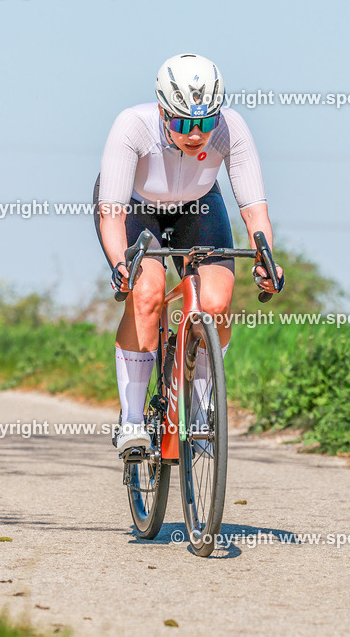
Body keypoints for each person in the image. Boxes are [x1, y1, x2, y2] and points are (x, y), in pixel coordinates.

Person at [93, 53, 283, 455]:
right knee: (147, 293)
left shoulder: (231, 128)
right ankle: (131, 420)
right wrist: (119, 265)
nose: (195, 134)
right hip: (135, 207)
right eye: (182, 123)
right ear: (162, 111)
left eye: (205, 123)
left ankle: (200, 408)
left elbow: (254, 209)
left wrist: (267, 258)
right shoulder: (133, 125)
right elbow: (111, 214)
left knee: (216, 300)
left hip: (197, 205)